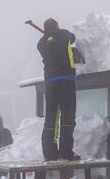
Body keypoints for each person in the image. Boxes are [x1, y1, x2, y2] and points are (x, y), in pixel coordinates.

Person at [37, 18, 79, 161]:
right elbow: (72, 38)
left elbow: (50, 42)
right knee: (67, 116)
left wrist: (50, 37)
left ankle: (50, 154)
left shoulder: (41, 43)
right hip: (65, 79)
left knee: (51, 117)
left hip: (50, 82)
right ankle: (66, 152)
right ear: (56, 26)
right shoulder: (63, 34)